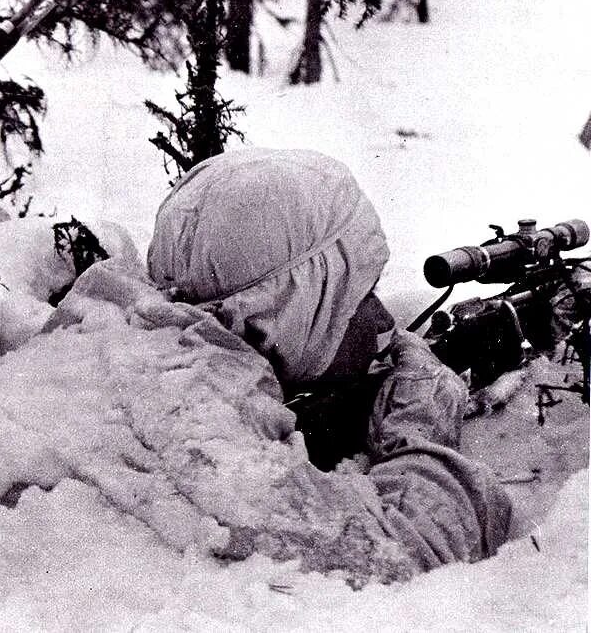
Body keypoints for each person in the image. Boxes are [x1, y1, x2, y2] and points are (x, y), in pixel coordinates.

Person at [148, 147, 512, 572]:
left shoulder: (135, 335)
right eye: (357, 296)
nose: (382, 319)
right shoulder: (203, 426)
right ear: (288, 313)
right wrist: (422, 428)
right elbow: (393, 561)